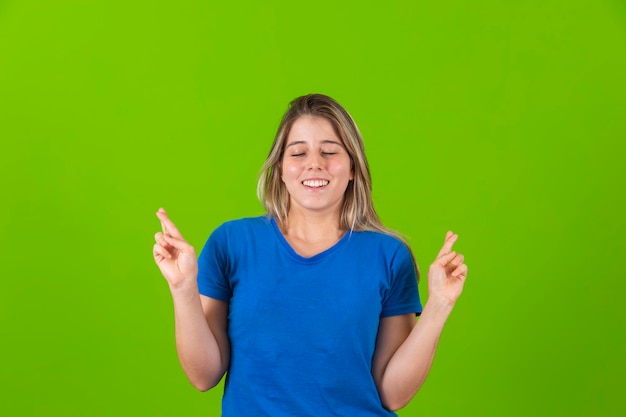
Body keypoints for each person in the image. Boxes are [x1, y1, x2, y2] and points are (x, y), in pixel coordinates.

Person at [152, 94, 468, 416]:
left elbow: (391, 394)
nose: (314, 163)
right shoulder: (232, 243)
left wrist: (439, 304)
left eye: (329, 151)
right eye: (298, 152)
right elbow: (204, 375)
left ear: (353, 169)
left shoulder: (388, 255)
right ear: (280, 170)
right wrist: (183, 288)